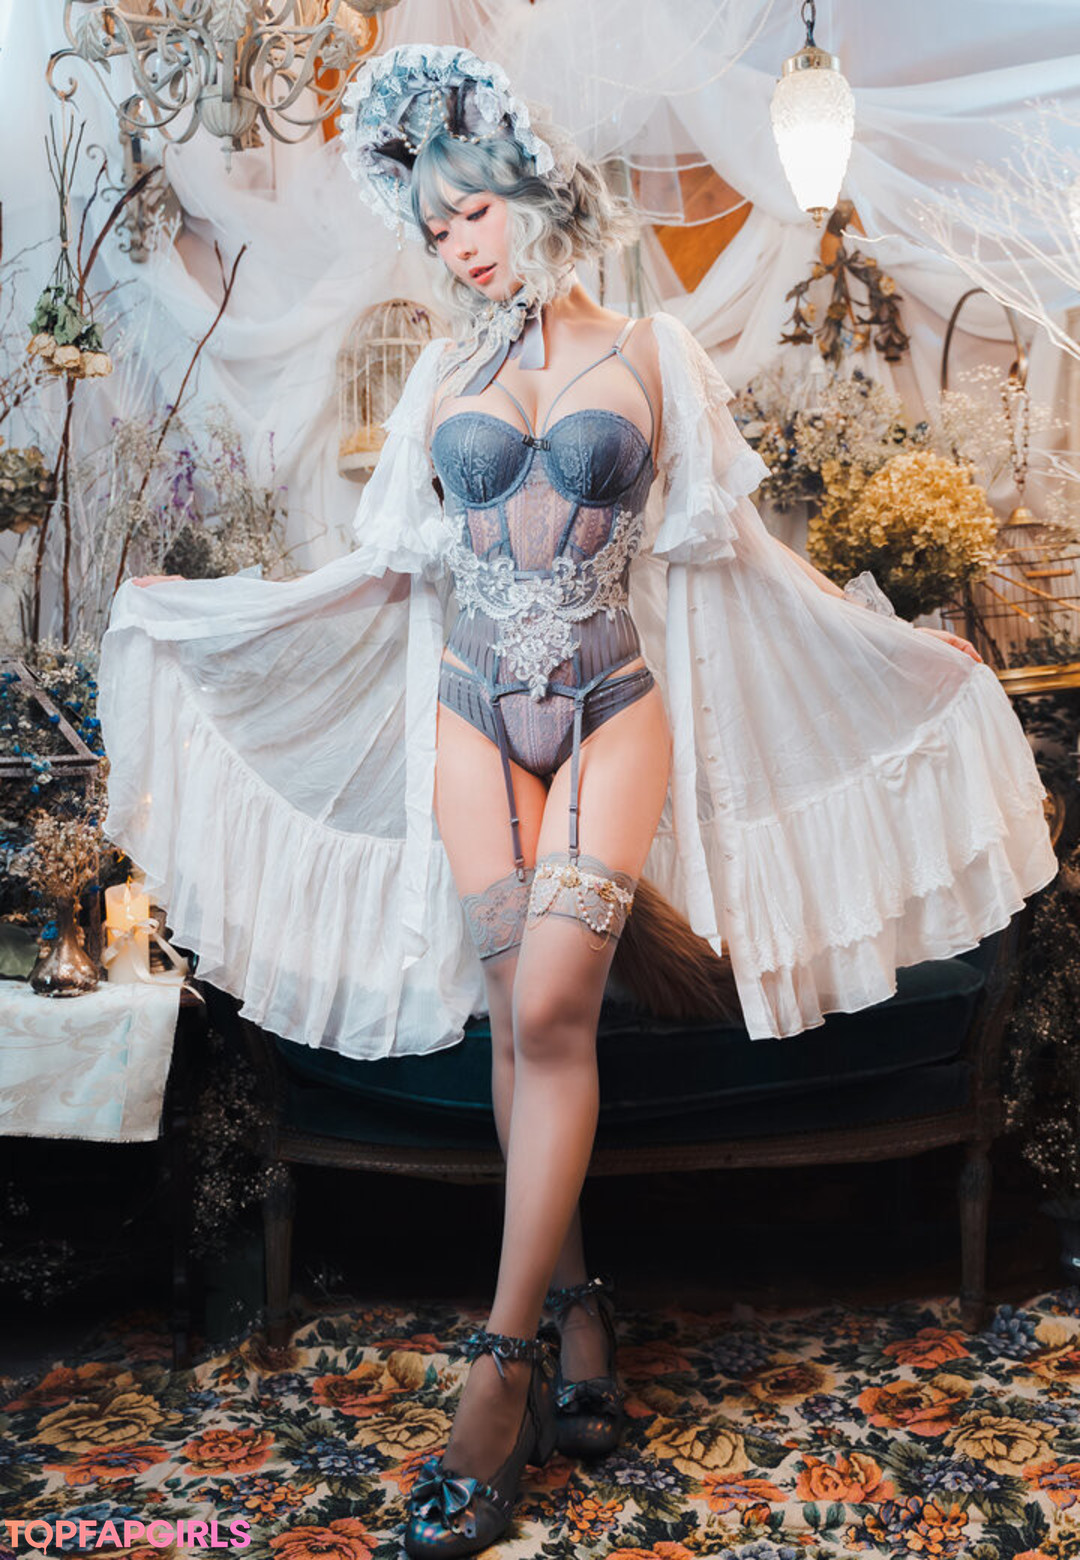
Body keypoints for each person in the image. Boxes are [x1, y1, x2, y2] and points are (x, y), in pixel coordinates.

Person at [103, 43, 1057, 1560]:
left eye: (474, 210)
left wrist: (899, 649)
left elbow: (743, 560)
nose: (458, 245)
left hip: (613, 710)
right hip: (470, 717)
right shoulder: (441, 377)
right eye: (435, 227)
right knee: (517, 1019)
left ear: (530, 190)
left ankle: (496, 1373)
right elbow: (385, 572)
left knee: (551, 1005)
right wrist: (214, 613)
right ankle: (579, 1312)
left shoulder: (658, 354)